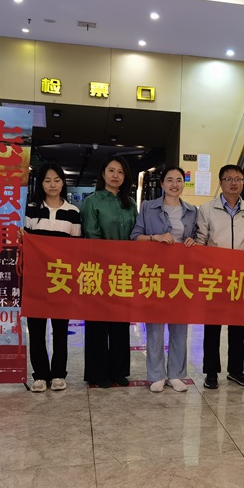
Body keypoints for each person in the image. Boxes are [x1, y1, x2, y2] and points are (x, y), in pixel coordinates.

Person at [131, 165, 198, 393]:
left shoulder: (192, 211)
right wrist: (155, 237)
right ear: (162, 184)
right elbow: (135, 236)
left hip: (181, 276)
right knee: (155, 328)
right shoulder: (148, 207)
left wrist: (193, 241)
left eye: (179, 180)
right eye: (169, 180)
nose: (174, 184)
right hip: (156, 275)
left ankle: (177, 374)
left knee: (180, 327)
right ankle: (156, 375)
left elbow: (197, 239)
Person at [23, 162, 82, 393]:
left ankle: (58, 373)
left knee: (60, 329)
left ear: (63, 183)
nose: (52, 185)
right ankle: (39, 374)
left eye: (57, 180)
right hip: (35, 279)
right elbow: (25, 244)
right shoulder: (30, 210)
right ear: (41, 184)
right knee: (36, 330)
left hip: (61, 280)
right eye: (47, 180)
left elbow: (76, 249)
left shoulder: (73, 212)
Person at [196, 164, 244, 389]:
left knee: (238, 326)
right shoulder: (206, 209)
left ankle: (236, 371)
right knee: (212, 327)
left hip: (239, 277)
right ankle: (211, 372)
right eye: (229, 179)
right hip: (214, 276)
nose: (234, 183)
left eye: (238, 179)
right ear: (220, 183)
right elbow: (201, 240)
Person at [80, 155, 137, 388]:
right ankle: (98, 372)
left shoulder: (130, 203)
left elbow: (135, 235)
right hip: (98, 269)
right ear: (103, 174)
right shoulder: (91, 201)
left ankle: (118, 371)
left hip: (124, 271)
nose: (116, 175)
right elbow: (92, 236)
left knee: (121, 323)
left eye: (120, 172)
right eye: (111, 170)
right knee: (98, 323)